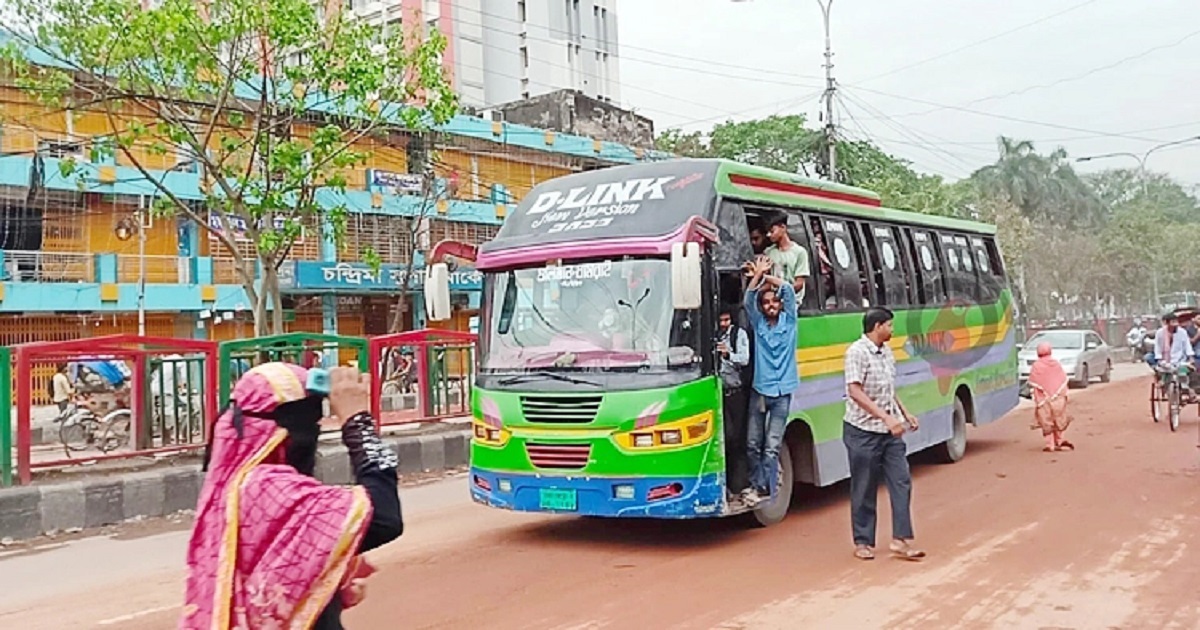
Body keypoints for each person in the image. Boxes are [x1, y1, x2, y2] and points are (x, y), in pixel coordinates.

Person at [181, 364, 402, 629]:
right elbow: (383, 517)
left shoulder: (237, 486)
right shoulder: (265, 487)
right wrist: (358, 423)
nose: (313, 434)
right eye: (311, 425)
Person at [843, 307, 925, 561]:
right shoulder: (856, 352)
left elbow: (889, 388)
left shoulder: (888, 353)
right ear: (877, 327)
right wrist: (886, 417)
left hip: (890, 432)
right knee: (864, 486)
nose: (892, 330)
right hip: (862, 431)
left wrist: (903, 412)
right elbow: (855, 391)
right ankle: (863, 541)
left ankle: (901, 539)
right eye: (889, 325)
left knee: (901, 481)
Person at [742, 256, 799, 507]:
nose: (770, 305)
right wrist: (757, 278)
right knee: (753, 443)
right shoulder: (758, 323)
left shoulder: (790, 320)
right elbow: (747, 300)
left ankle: (765, 489)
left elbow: (787, 288)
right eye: (766, 302)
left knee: (772, 446)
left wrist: (766, 276)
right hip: (761, 392)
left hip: (783, 392)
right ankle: (758, 484)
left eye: (774, 301)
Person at [717, 305, 752, 503]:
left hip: (735, 393)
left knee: (736, 438)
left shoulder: (739, 335)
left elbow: (744, 359)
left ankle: (740, 485)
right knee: (725, 439)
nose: (723, 325)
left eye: (726, 321)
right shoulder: (711, 335)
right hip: (717, 394)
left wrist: (727, 355)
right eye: (720, 321)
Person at [1027, 341, 1074, 452]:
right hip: (1058, 398)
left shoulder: (1036, 366)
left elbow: (1034, 383)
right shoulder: (1056, 364)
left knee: (1046, 421)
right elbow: (1063, 380)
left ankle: (1050, 444)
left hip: (1043, 399)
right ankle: (1060, 440)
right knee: (1058, 419)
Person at [763, 213, 810, 307]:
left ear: (783, 228)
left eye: (772, 231)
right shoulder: (768, 252)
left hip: (792, 304)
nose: (769, 235)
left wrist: (780, 295)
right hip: (773, 305)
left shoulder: (800, 252)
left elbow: (799, 284)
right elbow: (767, 281)